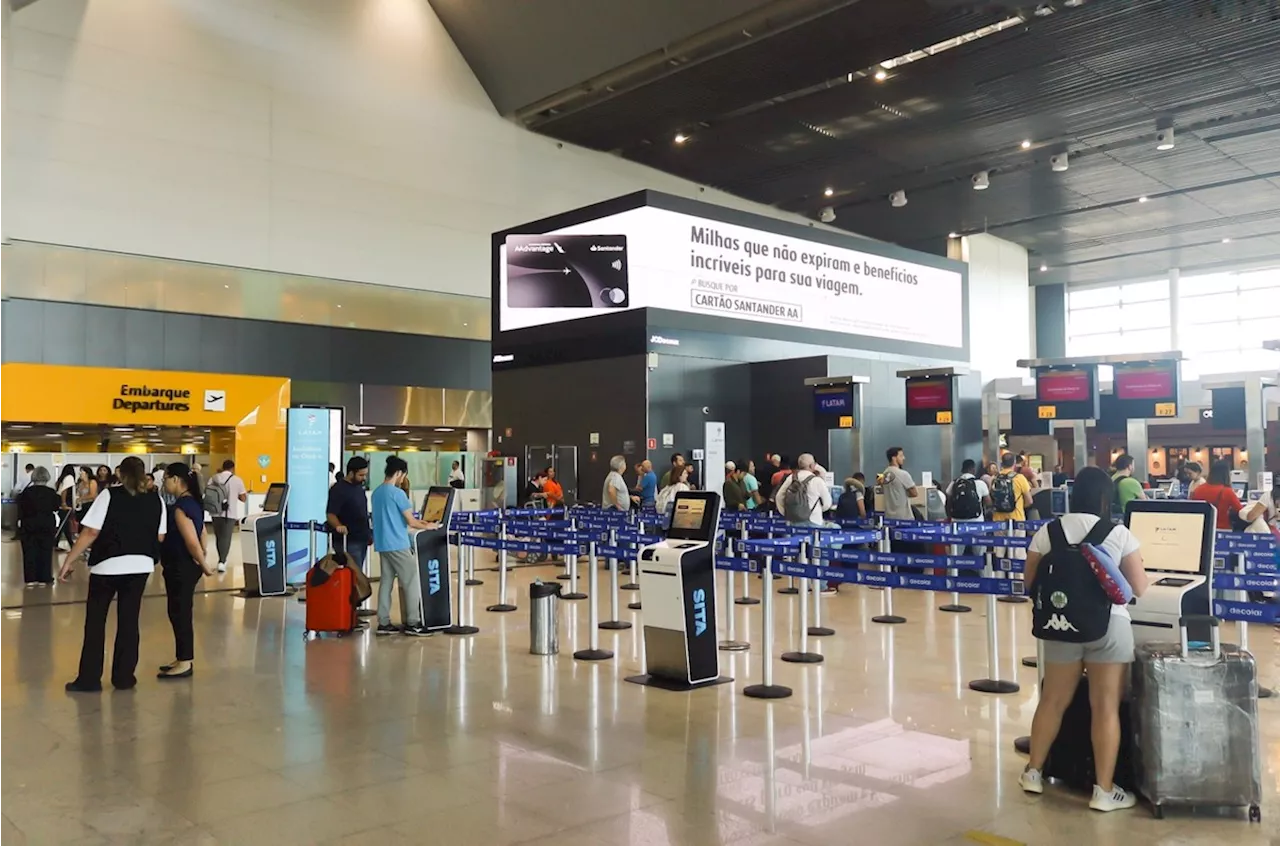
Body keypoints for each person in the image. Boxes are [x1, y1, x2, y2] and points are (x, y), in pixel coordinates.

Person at [1019, 466, 1149, 812]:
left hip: (1061, 626)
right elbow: (1139, 586)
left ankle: (1033, 772)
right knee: (1105, 707)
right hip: (1108, 628)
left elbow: (1030, 582)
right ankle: (1103, 792)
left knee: (1052, 701)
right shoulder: (1118, 532)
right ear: (1106, 498)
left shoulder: (1048, 531)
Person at [60, 456, 167, 692]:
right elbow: (160, 536)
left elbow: (90, 532)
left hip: (107, 566)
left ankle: (89, 679)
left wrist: (69, 559)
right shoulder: (156, 499)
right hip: (140, 566)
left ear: (120, 474)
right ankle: (124, 677)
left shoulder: (109, 495)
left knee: (96, 623)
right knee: (129, 622)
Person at [158, 463, 215, 679]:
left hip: (180, 566)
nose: (164, 482)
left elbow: (191, 540)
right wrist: (202, 555)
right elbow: (202, 533)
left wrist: (203, 563)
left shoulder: (181, 506)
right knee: (179, 611)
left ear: (175, 479)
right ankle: (182, 657)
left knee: (180, 612)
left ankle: (185, 661)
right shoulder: (194, 502)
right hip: (185, 565)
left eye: (166, 478)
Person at [372, 456, 433, 637]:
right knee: (411, 581)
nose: (403, 479)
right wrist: (429, 525)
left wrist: (420, 522)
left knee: (386, 582)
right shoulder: (397, 493)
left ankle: (383, 622)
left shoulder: (377, 493)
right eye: (403, 475)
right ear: (399, 473)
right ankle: (413, 622)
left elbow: (396, 518)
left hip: (383, 543)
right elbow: (411, 521)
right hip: (398, 543)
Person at [1191, 458, 1265, 530]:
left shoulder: (1198, 489)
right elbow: (1240, 511)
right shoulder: (1227, 491)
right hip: (1222, 529)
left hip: (1202, 528)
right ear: (1226, 474)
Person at [326, 456, 372, 571]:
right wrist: (338, 526)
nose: (364, 478)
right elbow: (331, 514)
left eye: (365, 474)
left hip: (361, 538)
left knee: (358, 572)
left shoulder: (358, 488)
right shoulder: (338, 489)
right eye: (361, 475)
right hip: (348, 541)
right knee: (353, 574)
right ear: (351, 473)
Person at [17, 466, 60, 586]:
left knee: (29, 550)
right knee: (45, 551)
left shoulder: (26, 492)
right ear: (47, 477)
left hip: (29, 524)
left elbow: (21, 508)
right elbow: (56, 507)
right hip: (46, 523)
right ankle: (44, 577)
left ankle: (30, 578)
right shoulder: (51, 492)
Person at [207, 460, 247, 572]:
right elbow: (243, 498)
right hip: (229, 513)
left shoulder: (213, 478)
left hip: (215, 512)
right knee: (226, 538)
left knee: (219, 537)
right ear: (232, 468)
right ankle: (222, 561)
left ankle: (221, 559)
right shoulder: (237, 480)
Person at [879, 447, 918, 520]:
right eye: (901, 456)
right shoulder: (903, 474)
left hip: (889, 517)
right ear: (894, 458)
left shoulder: (883, 475)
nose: (904, 458)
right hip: (904, 518)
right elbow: (914, 493)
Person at [946, 459, 990, 523]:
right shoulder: (980, 483)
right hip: (976, 520)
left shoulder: (954, 483)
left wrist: (949, 516)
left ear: (962, 470)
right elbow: (988, 502)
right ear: (973, 469)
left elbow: (948, 502)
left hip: (957, 520)